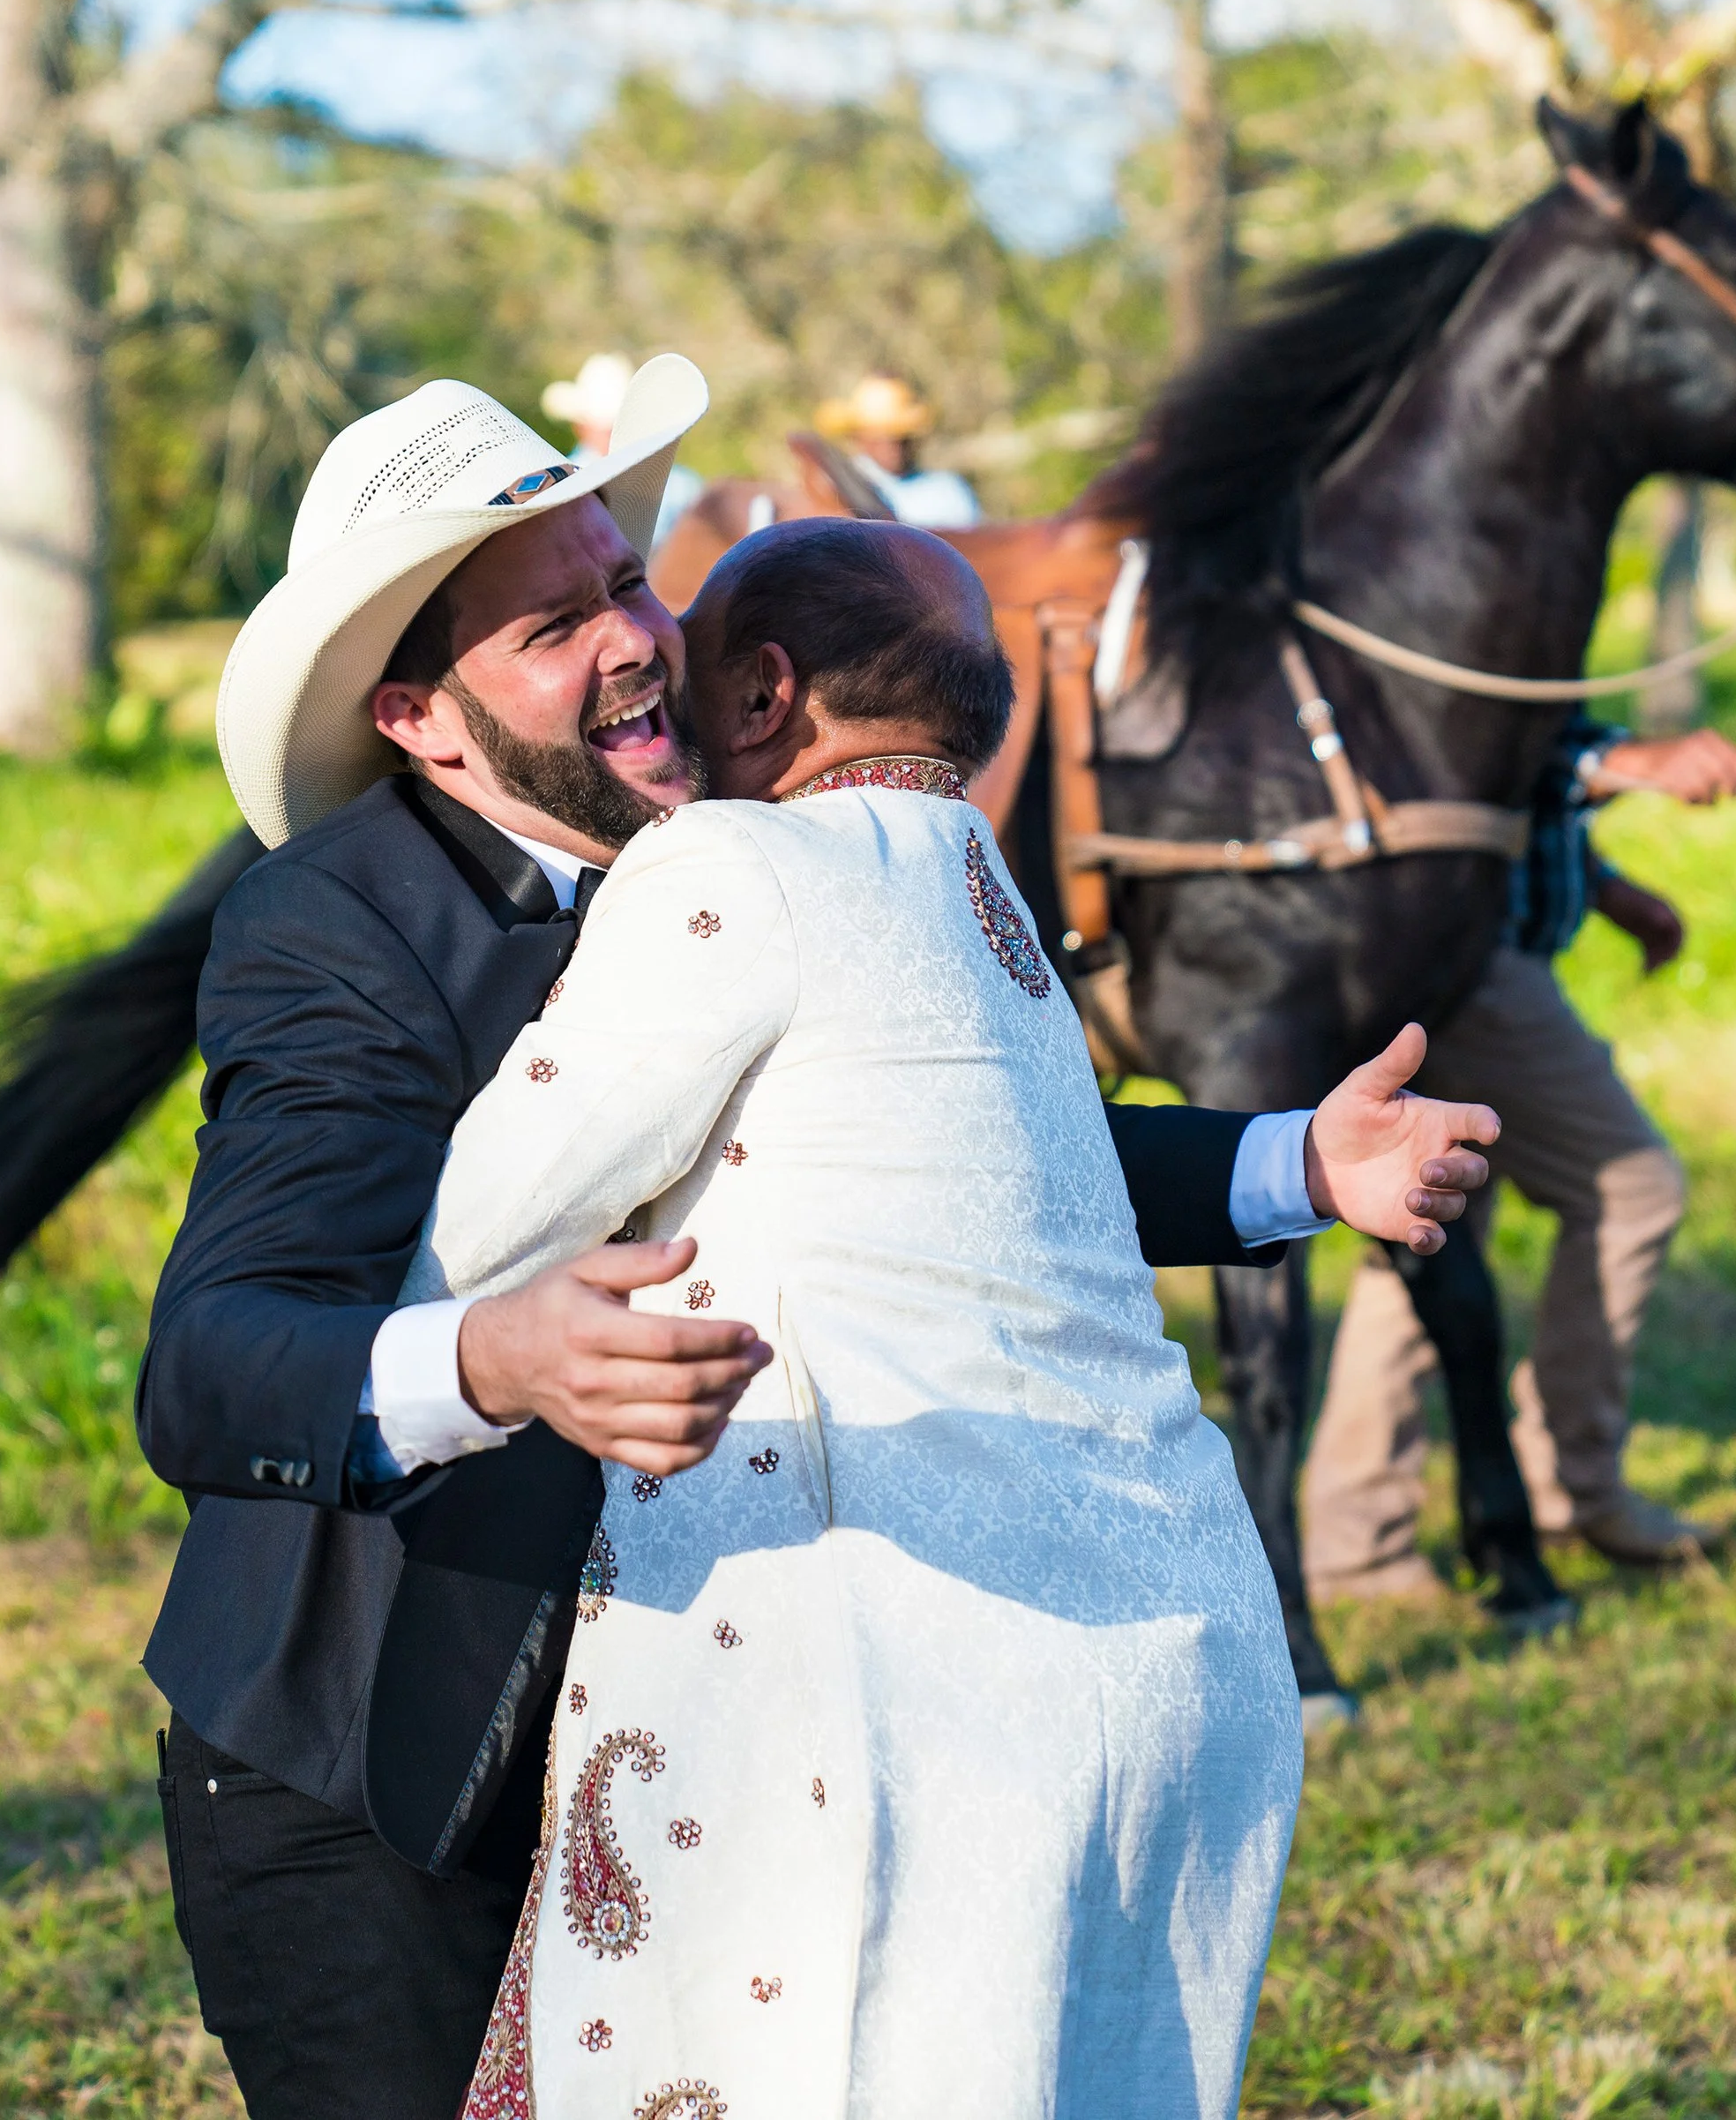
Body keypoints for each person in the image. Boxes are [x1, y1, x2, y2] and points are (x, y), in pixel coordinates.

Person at [142, 371, 1494, 2120]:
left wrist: (1290, 1160)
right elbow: (212, 1355)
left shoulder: (785, 856)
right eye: (558, 624)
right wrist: (491, 1355)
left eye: (626, 581)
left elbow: (959, 1138)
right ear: (419, 716)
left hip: (703, 1732)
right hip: (380, 1760)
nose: (639, 641)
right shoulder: (331, 931)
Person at [1301, 715, 1736, 1597]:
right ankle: (1573, 1485)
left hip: (1452, 954)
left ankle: (1356, 1532)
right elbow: (1461, 736)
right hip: (1469, 967)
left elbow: (1505, 781)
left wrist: (1606, 887)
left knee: (1427, 1228)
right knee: (1633, 1185)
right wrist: (1622, 763)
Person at [545, 351, 705, 543]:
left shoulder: (684, 488)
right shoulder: (560, 487)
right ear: (581, 427)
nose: (610, 437)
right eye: (605, 429)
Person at [815, 371, 983, 528]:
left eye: (899, 434)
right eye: (878, 434)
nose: (892, 444)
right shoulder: (837, 490)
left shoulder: (948, 492)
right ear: (858, 437)